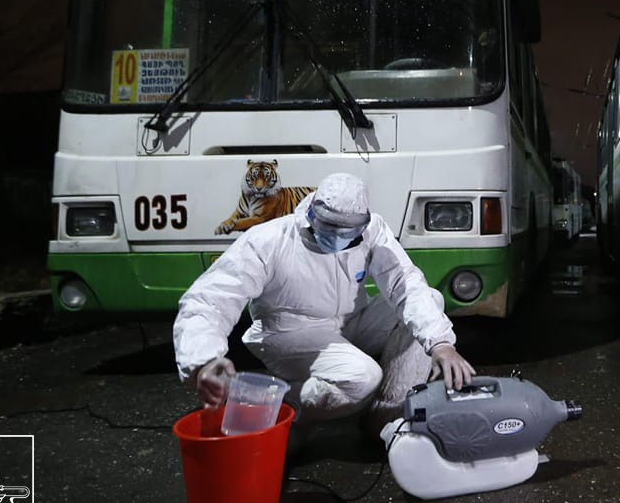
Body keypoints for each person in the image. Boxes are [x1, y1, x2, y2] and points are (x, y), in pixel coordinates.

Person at [172, 172, 475, 434]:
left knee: (431, 300)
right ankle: (272, 404)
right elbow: (211, 298)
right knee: (362, 378)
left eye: (350, 232)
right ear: (311, 214)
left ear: (363, 223)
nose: (339, 238)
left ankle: (386, 417)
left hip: (347, 321)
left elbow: (404, 283)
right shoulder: (269, 239)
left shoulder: (372, 231)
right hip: (291, 333)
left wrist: (440, 344)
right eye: (330, 228)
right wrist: (203, 360)